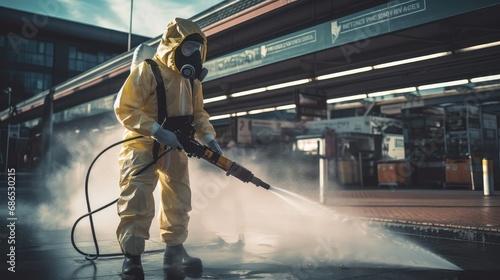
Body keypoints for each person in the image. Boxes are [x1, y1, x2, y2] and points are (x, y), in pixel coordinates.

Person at [114, 17, 222, 278]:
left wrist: (209, 138)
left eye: (197, 50)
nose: (193, 55)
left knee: (179, 198)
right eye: (188, 48)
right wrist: (156, 131)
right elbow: (124, 108)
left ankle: (174, 249)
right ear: (173, 45)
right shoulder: (148, 71)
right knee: (137, 197)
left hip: (175, 146)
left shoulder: (192, 81)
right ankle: (132, 256)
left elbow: (198, 114)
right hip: (141, 145)